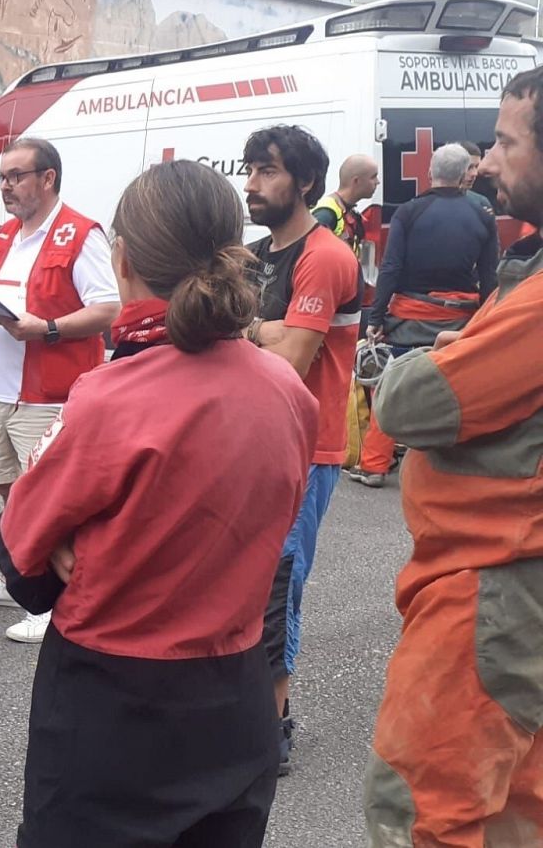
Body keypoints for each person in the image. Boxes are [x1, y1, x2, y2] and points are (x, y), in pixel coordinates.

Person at [0, 160, 317, 848]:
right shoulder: (287, 390)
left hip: (114, 708)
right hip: (237, 696)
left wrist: (77, 541)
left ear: (121, 260)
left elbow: (22, 560)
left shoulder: (109, 397)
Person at [363, 67, 543, 847]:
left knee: (424, 809)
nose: (488, 162)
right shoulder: (515, 258)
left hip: (489, 587)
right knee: (514, 807)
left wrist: (431, 358)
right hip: (513, 585)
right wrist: (468, 347)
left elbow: (411, 405)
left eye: (505, 142)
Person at [0, 137, 120, 644]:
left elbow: (107, 308)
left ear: (48, 178)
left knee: (50, 500)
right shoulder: (6, 233)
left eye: (16, 176)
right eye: (2, 177)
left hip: (48, 393)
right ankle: (19, 579)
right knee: (11, 491)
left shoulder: (80, 233)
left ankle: (56, 603)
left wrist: (47, 328)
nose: (5, 186)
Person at [242, 124, 363, 774]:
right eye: (250, 170)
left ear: (307, 182)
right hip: (252, 442)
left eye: (267, 171)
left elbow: (292, 359)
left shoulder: (325, 256)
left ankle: (274, 725)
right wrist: (266, 328)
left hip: (305, 449)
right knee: (243, 583)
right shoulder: (254, 254)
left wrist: (250, 327)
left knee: (277, 591)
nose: (252, 183)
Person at [347, 142, 499, 489]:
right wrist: (488, 318)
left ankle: (374, 465)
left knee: (391, 386)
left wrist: (376, 318)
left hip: (408, 320)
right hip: (461, 319)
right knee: (458, 388)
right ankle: (456, 468)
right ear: (464, 175)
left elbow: (391, 268)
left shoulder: (410, 212)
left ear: (430, 172)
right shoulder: (482, 211)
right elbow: (489, 274)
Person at [312, 153, 380, 281]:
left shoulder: (348, 210)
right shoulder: (327, 213)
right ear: (356, 181)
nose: (378, 182)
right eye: (373, 177)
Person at [459, 139, 496, 216]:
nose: (474, 173)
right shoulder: (436, 203)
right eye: (469, 167)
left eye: (476, 166)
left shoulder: (482, 203)